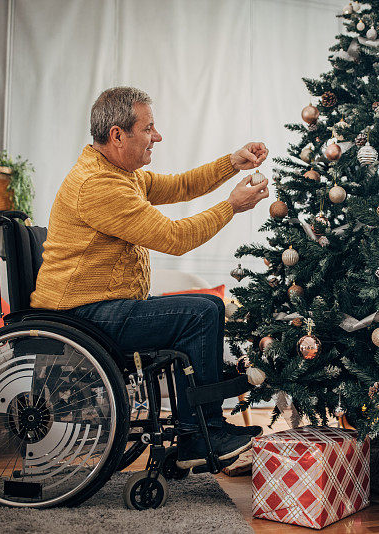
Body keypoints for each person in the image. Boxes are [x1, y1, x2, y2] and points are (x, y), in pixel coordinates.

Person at [30, 86, 270, 469]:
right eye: (149, 128)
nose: (157, 137)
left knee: (207, 304)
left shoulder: (120, 173)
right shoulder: (99, 185)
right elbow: (176, 239)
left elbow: (180, 186)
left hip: (102, 307)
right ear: (117, 135)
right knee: (199, 314)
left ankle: (199, 428)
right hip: (84, 314)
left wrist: (232, 163)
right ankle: (200, 434)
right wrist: (232, 206)